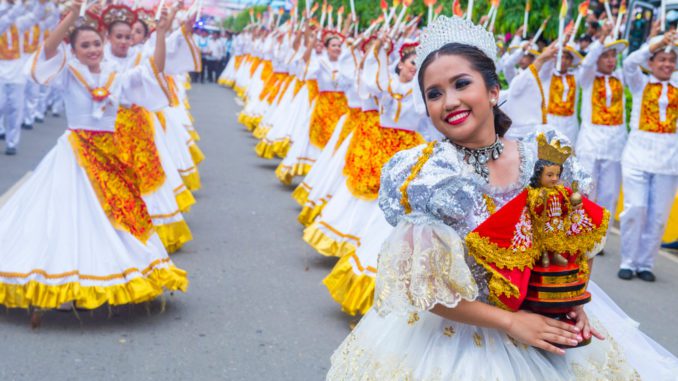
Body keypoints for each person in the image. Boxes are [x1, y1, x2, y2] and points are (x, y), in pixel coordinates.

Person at [326, 16, 678, 380]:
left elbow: (570, 242)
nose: (449, 101)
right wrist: (510, 321)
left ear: (493, 90)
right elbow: (427, 288)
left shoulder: (544, 156)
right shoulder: (425, 177)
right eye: (434, 93)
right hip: (455, 345)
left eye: (462, 83)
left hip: (545, 327)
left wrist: (571, 302)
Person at [0, 0, 187, 316]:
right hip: (74, 155)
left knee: (112, 221)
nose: (92, 49)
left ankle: (106, 276)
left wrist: (160, 35)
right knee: (67, 220)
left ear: (103, 43)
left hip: (110, 156)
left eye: (96, 43)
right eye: (84, 45)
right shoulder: (69, 72)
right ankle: (63, 283)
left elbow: (153, 70)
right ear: (73, 49)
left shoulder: (119, 75)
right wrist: (70, 18)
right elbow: (47, 51)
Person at [618, 30, 678, 282]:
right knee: (635, 209)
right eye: (661, 59)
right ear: (651, 63)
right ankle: (628, 261)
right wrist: (659, 42)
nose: (666, 64)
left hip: (668, 160)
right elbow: (630, 62)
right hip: (637, 157)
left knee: (657, 216)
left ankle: (645, 263)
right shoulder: (639, 83)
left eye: (671, 60)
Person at [0, 0, 47, 155]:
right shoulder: (3, 22)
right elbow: (6, 18)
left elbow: (35, 16)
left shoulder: (19, 24)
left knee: (15, 108)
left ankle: (12, 143)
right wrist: (11, 5)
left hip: (17, 73)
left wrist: (41, 4)